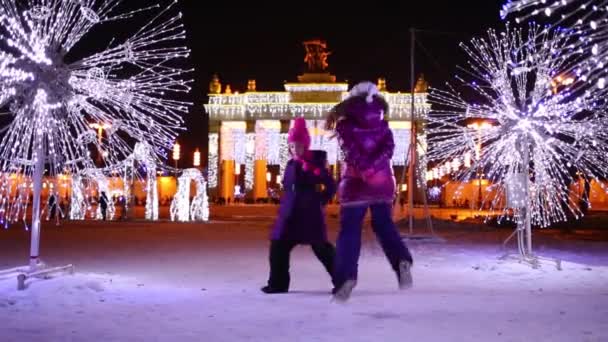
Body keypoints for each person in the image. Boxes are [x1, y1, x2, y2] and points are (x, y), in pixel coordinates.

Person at [326, 81, 414, 301]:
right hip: (382, 183)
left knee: (350, 231)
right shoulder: (383, 125)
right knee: (384, 225)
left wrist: (364, 168)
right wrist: (374, 168)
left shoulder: (344, 124)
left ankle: (346, 277)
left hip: (356, 184)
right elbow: (389, 149)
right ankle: (401, 260)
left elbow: (349, 150)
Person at [262, 118, 337, 294]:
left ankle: (343, 280)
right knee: (278, 246)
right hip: (289, 214)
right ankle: (278, 284)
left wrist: (321, 199)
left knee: (321, 248)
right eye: (292, 146)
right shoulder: (290, 163)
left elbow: (331, 184)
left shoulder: (314, 164)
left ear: (306, 145)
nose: (295, 149)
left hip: (308, 213)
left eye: (299, 145)